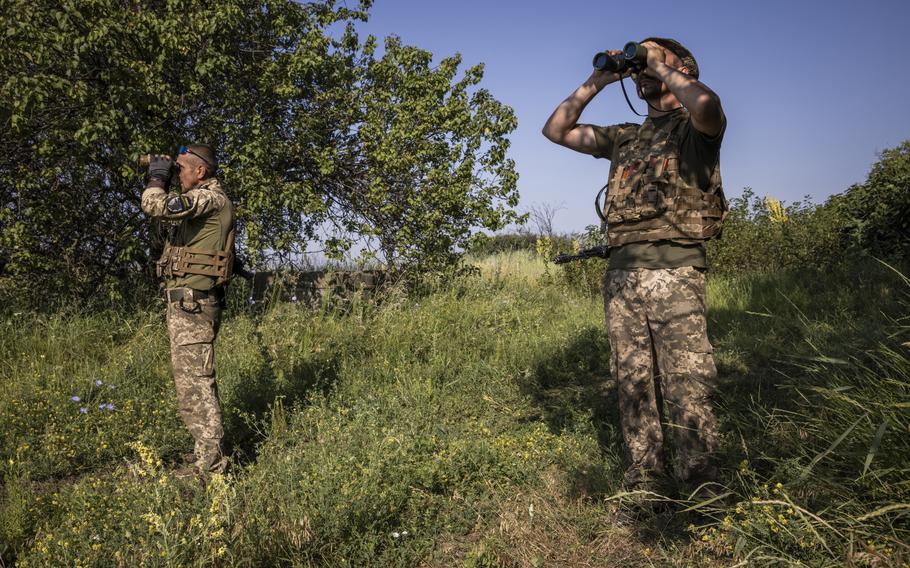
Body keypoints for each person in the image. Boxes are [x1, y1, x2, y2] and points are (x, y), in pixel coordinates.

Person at [542, 38, 727, 498]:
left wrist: (660, 65)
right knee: (632, 382)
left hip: (676, 271)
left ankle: (702, 486)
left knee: (688, 381)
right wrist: (601, 79)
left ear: (682, 68)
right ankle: (646, 482)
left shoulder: (694, 131)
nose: (642, 68)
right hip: (622, 275)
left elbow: (706, 103)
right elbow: (556, 129)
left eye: (652, 59)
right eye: (638, 62)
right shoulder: (624, 136)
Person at [141, 144, 234, 475]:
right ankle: (207, 458)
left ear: (201, 172)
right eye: (174, 168)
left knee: (196, 388)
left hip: (194, 305)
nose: (177, 173)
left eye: (181, 168)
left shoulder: (210, 199)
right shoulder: (199, 203)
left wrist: (156, 177)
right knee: (192, 387)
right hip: (185, 305)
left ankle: (212, 470)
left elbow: (154, 205)